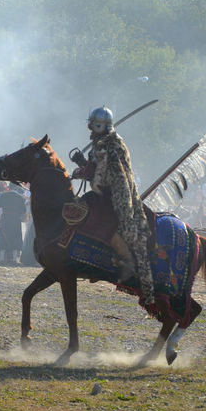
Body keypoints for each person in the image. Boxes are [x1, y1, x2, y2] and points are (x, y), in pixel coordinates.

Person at [73, 106, 154, 305]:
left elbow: (99, 176)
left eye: (92, 124)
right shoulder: (107, 142)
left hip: (116, 196)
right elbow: (98, 167)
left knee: (116, 229)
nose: (90, 128)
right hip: (110, 192)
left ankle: (129, 266)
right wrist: (84, 162)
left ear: (99, 125)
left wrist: (79, 172)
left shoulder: (106, 144)